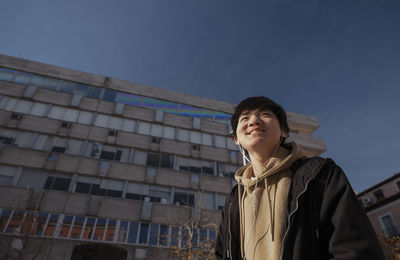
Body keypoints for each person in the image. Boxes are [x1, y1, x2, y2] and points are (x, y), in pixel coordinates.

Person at [215, 96, 384, 260]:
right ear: (236, 139)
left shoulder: (319, 173)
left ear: (284, 131)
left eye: (265, 115)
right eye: (244, 118)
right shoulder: (234, 198)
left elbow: (354, 248)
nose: (253, 121)